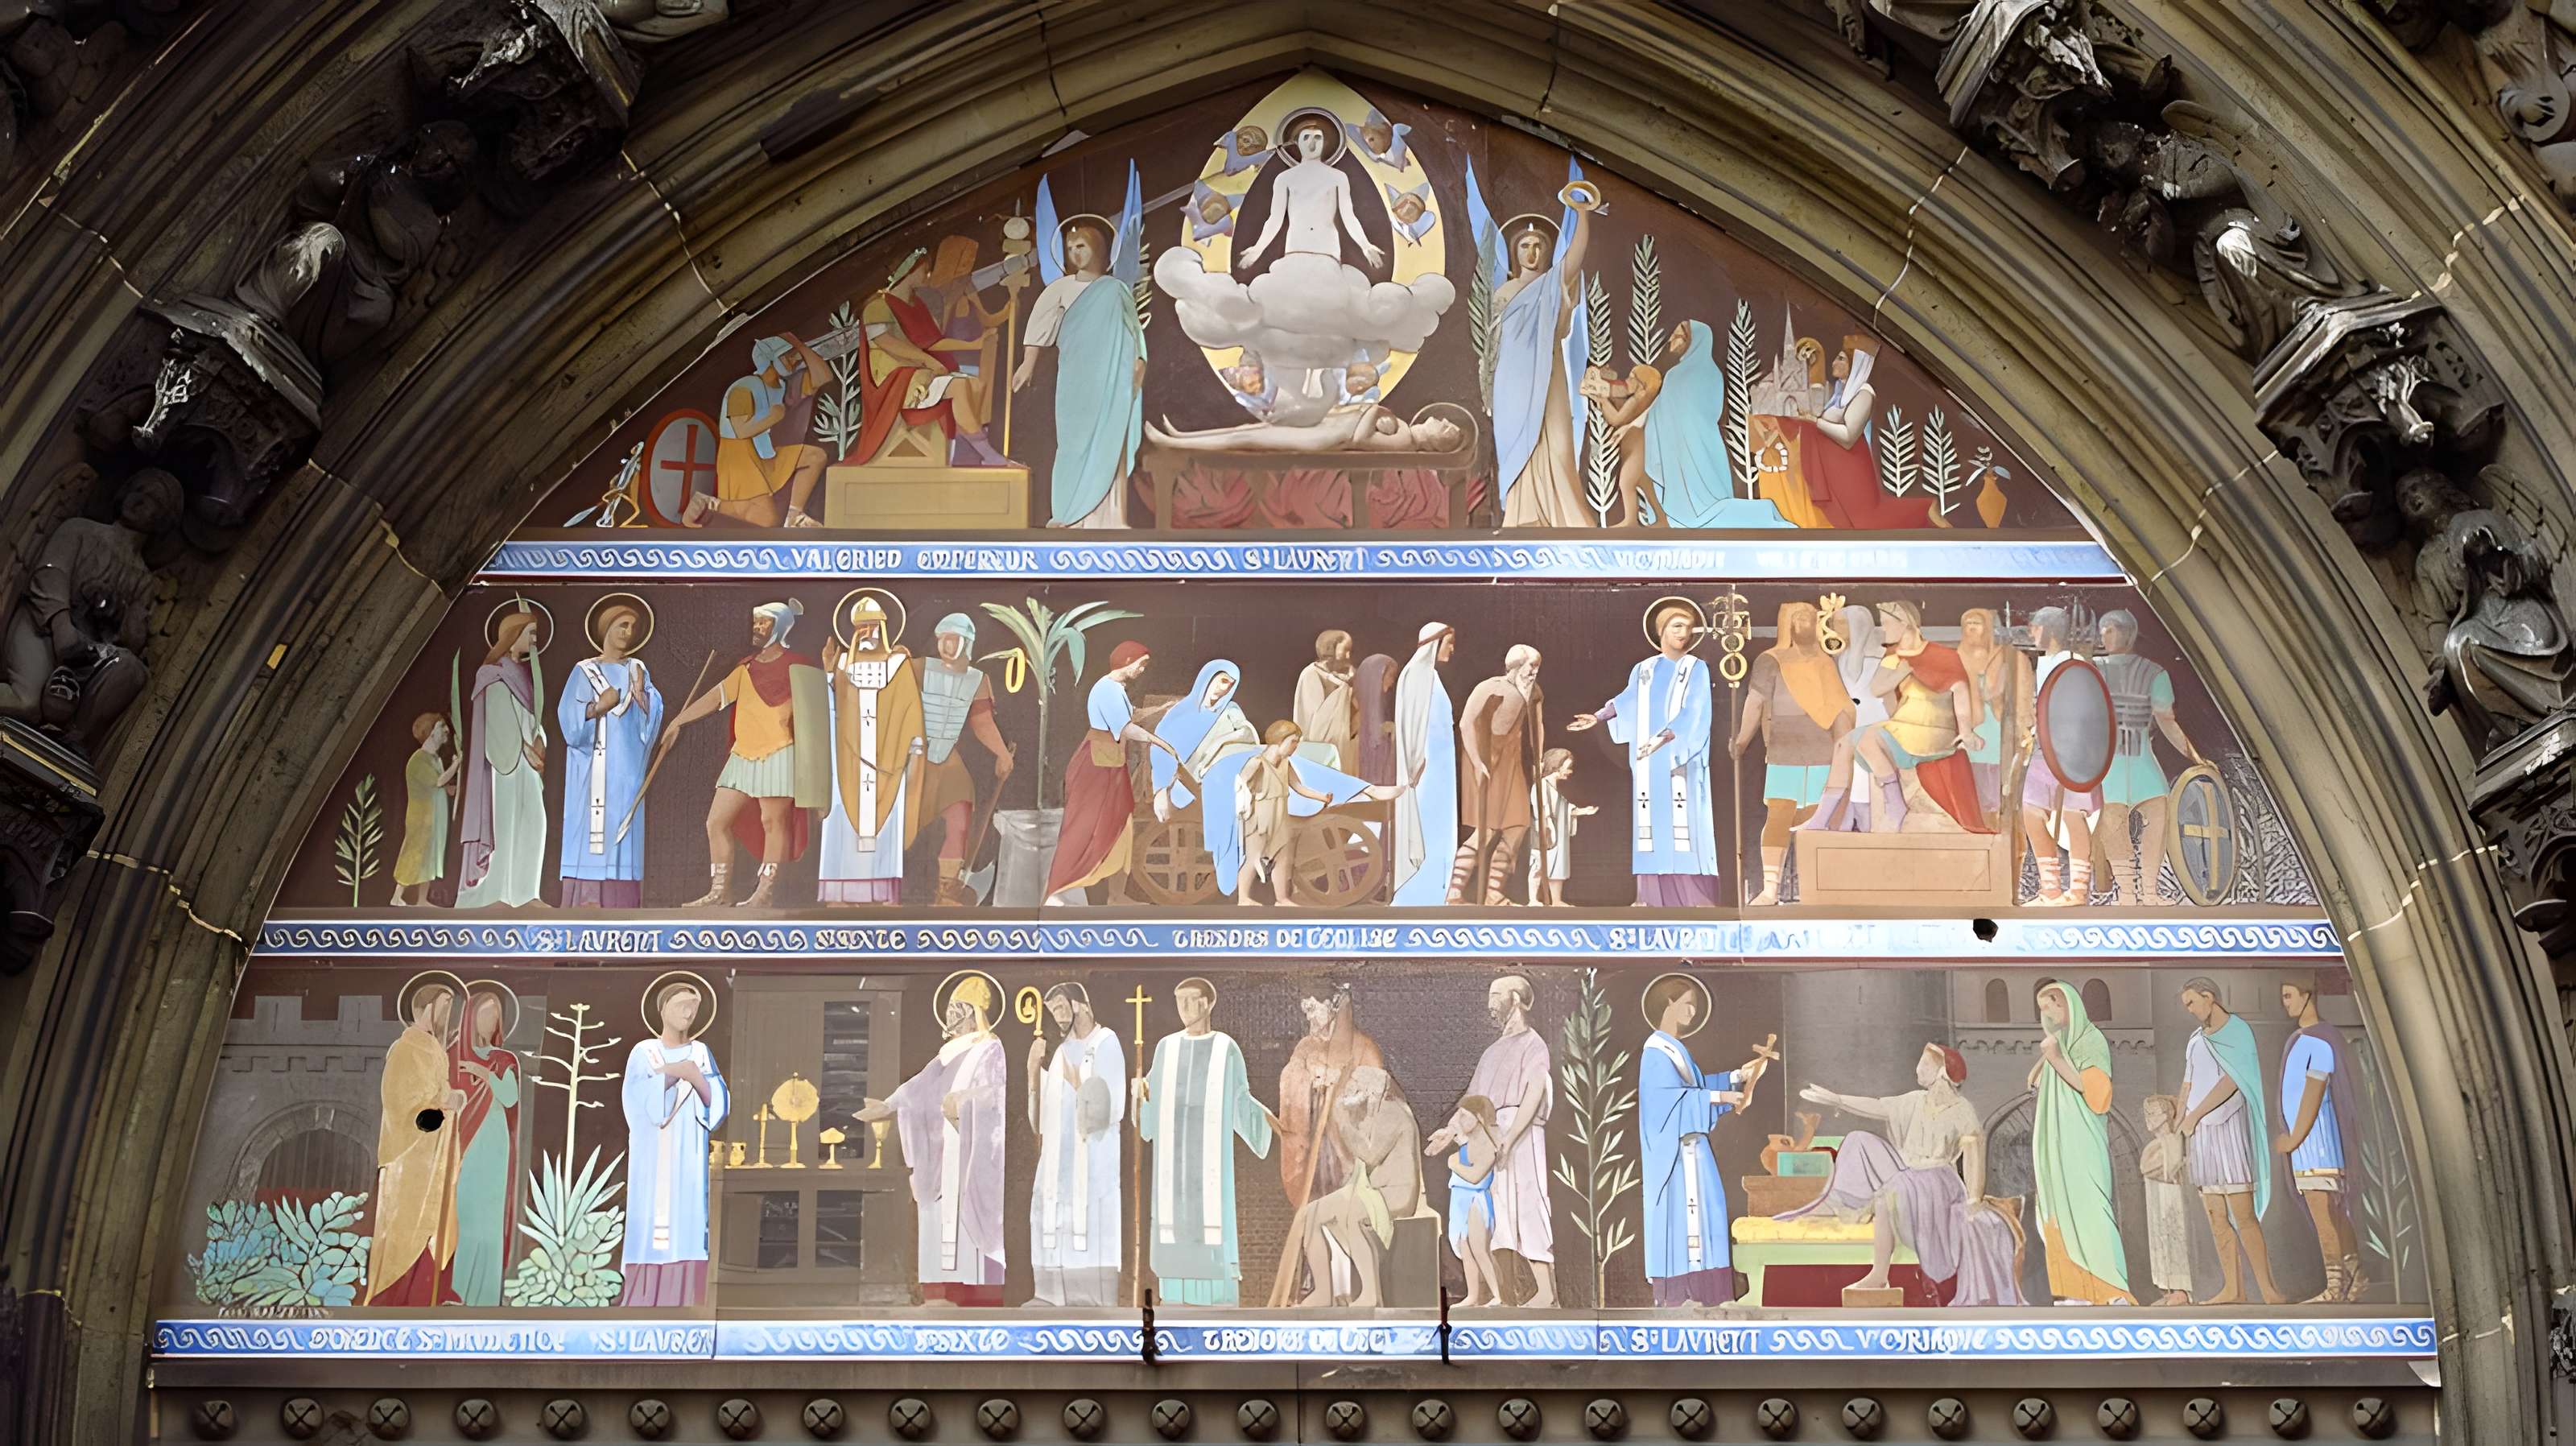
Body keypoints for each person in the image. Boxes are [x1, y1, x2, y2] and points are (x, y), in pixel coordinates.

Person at [1781, 1042, 2024, 1306]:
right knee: (1859, 1140)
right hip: (1910, 1171)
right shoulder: (1916, 1101)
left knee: (1889, 1194)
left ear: (1942, 1071)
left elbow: (1975, 1153)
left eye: (1925, 1064)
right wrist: (1838, 1100)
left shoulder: (1961, 1110)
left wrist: (1974, 1199)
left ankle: (1878, 1275)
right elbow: (1877, 1107)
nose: (1918, 1070)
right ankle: (1840, 1203)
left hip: (1938, 1182)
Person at [663, 601, 828, 909]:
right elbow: (716, 697)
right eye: (755, 623)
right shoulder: (747, 667)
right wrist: (677, 721)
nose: (757, 629)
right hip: (743, 754)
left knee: (773, 821)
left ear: (779, 627)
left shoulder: (799, 667)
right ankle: (720, 890)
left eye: (764, 623)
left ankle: (765, 890)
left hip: (780, 752)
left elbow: (815, 720)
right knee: (716, 821)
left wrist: (817, 784)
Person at [858, 973, 1009, 1305]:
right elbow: (918, 1087)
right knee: (936, 1220)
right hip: (941, 1152)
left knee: (967, 1220)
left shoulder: (989, 1048)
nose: (951, 1014)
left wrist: (963, 1100)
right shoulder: (947, 1053)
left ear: (975, 1011)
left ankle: (976, 1294)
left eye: (959, 1007)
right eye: (951, 1007)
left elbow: (993, 1094)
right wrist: (889, 1105)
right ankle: (939, 1292)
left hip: (967, 1150)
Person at [1135, 978, 1278, 1305]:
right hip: (1174, 1162)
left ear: (1209, 1003)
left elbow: (1239, 1097)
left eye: (1192, 1000)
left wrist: (1265, 1121)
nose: (1184, 1008)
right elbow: (1151, 1100)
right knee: (1174, 1226)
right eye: (1179, 1000)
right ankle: (1174, 1298)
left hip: (1207, 1161)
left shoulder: (1225, 1047)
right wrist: (1141, 1096)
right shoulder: (1165, 1048)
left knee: (1210, 1225)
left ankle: (1217, 1301)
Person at [1568, 600, 1721, 906]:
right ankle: (1651, 897)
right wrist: (1598, 717)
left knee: (1684, 828)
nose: (1684, 633)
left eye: (1689, 628)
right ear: (1661, 630)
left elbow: (1695, 711)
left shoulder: (1696, 669)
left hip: (1681, 760)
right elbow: (1626, 701)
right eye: (1677, 626)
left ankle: (1693, 899)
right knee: (1651, 827)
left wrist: (1663, 738)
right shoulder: (1645, 669)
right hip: (1650, 764)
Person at [1798, 601, 1988, 834]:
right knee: (1844, 744)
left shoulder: (1943, 655)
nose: (1883, 628)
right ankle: (1822, 817)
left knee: (1867, 740)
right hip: (1903, 728)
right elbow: (1876, 689)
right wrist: (1902, 671)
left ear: (1905, 623)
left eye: (1887, 622)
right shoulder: (1893, 658)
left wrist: (1966, 731)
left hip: (1935, 731)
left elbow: (1960, 691)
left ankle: (1895, 804)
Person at [1637, 975, 1771, 1306]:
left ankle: (1710, 1296)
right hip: (1676, 1158)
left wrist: (1739, 1077)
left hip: (1694, 1154)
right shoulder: (1656, 1053)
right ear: (1668, 1003)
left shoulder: (1676, 1050)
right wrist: (1725, 1094)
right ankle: (1681, 1297)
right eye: (1687, 1003)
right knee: (1680, 1227)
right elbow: (1670, 1102)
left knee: (1705, 1218)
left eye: (1695, 1005)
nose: (1693, 1011)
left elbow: (1695, 1089)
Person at [1425, 975, 1558, 1306]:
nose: (1491, 1002)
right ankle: (1503, 1293)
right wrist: (1451, 1131)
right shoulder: (1492, 1052)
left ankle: (1547, 1293)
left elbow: (1533, 1094)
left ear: (1516, 997)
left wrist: (1511, 1139)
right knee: (1496, 1214)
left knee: (1528, 1206)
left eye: (1496, 994)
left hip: (1522, 1134)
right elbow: (1474, 1099)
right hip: (1493, 1132)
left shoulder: (1533, 1044)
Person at [1014, 217, 1145, 528]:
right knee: (1073, 443)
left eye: (1082, 246)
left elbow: (1133, 334)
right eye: (1070, 248)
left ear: (1098, 249)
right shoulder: (1060, 288)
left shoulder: (1116, 290)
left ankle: (1108, 518)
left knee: (1109, 439)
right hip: (1075, 378)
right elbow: (1040, 327)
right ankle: (1068, 513)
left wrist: (1138, 366)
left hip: (1111, 379)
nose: (1075, 253)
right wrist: (1028, 364)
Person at [1731, 601, 1852, 905]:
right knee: (1780, 815)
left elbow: (1839, 708)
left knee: (1822, 818)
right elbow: (1755, 702)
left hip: (1822, 750)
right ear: (1786, 623)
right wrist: (1743, 739)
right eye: (1798, 617)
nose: (1805, 622)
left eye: (1810, 617)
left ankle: (1822, 890)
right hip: (1785, 749)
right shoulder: (1771, 660)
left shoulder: (1825, 661)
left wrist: (1844, 746)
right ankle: (1770, 890)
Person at [848, 246, 1011, 469]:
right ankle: (987, 453)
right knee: (959, 387)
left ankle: (968, 450)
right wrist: (927, 360)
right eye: (924, 269)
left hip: (918, 370)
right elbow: (887, 343)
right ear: (909, 270)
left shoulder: (918, 304)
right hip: (893, 378)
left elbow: (932, 339)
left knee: (975, 386)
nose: (927, 275)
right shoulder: (878, 305)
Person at [621, 978, 730, 1306]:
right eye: (682, 1005)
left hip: (687, 1152)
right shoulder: (644, 1051)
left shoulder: (700, 1052)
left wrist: (694, 1076)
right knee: (648, 1227)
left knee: (687, 1227)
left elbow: (718, 1103)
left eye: (694, 1008)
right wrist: (672, 1073)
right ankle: (642, 1303)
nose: (688, 1013)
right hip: (652, 1157)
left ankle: (684, 1304)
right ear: (663, 1008)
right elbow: (638, 1099)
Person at [1493, 192, 1600, 527]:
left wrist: (1582, 214)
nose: (1532, 252)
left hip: (1550, 373)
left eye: (1538, 245)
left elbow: (1575, 259)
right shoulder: (1504, 294)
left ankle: (1565, 516)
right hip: (1512, 380)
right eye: (1525, 246)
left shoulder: (1553, 286)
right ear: (1514, 252)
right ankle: (1523, 515)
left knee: (1558, 444)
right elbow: (1491, 348)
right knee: (1517, 444)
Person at [2028, 978, 2132, 1304]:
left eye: (2051, 1004)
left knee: (2090, 1213)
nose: (2046, 1012)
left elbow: (2098, 1096)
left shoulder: (2090, 1040)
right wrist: (2047, 1061)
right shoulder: (2058, 1041)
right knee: (2059, 1212)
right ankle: (2076, 1292)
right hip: (2058, 1145)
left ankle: (2112, 1291)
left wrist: (2057, 1059)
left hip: (2082, 1143)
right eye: (2042, 1007)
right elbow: (2034, 1082)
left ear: (2068, 1003)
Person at [1282, 1066, 1422, 1308]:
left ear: (1372, 1089)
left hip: (1396, 1193)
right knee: (1310, 1215)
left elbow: (1369, 1155)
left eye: (1356, 1084)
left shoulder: (1393, 1112)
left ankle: (1370, 1293)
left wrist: (1343, 1121)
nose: (1350, 1089)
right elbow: (1355, 1164)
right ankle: (1323, 1291)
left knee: (1354, 1215)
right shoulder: (1368, 1115)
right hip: (1371, 1191)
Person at [1765, 336, 1939, 530]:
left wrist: (1815, 421)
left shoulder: (1864, 393)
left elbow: (1849, 437)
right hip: (1835, 468)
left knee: (1866, 521)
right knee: (1851, 522)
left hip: (1852, 469)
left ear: (1855, 364)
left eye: (1841, 359)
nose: (1834, 362)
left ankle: (1924, 509)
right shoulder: (1840, 391)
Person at [818, 594, 925, 907]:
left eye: (871, 626)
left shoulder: (898, 664)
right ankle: (840, 900)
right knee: (841, 828)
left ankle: (881, 901)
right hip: (847, 766)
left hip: (889, 764)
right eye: (860, 627)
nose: (866, 633)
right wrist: (827, 673)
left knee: (885, 833)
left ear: (883, 627)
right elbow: (830, 710)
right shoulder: (841, 665)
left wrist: (915, 752)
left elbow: (910, 710)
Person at [2178, 977, 2280, 1303]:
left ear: (2209, 997)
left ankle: (2268, 1290)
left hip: (2228, 1127)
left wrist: (2194, 1116)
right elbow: (2188, 1082)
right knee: (2215, 1215)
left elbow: (2232, 1080)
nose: (2190, 1010)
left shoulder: (2238, 1031)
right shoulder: (2195, 1040)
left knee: (2243, 1214)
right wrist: (2182, 1118)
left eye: (2192, 1002)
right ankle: (2233, 1289)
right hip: (2201, 1135)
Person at [1046, 641, 1171, 904]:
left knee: (1122, 826)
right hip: (1096, 767)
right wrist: (1159, 742)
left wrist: (1160, 710)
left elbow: (1131, 716)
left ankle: (1116, 895)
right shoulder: (1107, 689)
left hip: (1112, 765)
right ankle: (1060, 889)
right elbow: (1125, 728)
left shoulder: (1117, 690)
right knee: (1086, 827)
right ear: (1126, 661)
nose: (1142, 670)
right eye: (1141, 664)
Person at [556, 601, 663, 907]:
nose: (628, 633)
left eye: (633, 627)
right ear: (606, 629)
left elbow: (652, 718)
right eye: (622, 625)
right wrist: (598, 707)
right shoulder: (585, 671)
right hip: (594, 770)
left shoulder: (637, 670)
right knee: (593, 830)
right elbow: (569, 721)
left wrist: (644, 696)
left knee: (623, 831)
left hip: (627, 771)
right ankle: (587, 900)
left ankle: (622, 904)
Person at [365, 980, 465, 1305]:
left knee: (435, 1224)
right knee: (405, 1229)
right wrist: (443, 1104)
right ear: (424, 1008)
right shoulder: (406, 1047)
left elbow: (435, 1093)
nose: (449, 1014)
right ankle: (395, 1298)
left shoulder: (432, 1047)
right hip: (409, 1157)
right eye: (444, 1006)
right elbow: (401, 1102)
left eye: (452, 1006)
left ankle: (427, 1295)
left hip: (434, 1155)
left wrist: (448, 1099)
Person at [1027, 983, 1125, 1306]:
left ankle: (1091, 1301)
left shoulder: (1106, 1042)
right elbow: (1041, 1120)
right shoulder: (1059, 1052)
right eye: (1052, 1010)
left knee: (1089, 1229)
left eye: (1060, 1007)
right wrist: (1032, 1074)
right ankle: (1052, 1296)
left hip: (1091, 1165)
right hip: (1058, 1167)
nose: (1056, 1015)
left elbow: (1111, 1110)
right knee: (1053, 1224)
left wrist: (1076, 1081)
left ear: (1080, 1005)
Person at [2096, 610, 2203, 905]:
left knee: (2157, 813)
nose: (2105, 636)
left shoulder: (2154, 672)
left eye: (2111, 630)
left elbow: (2166, 720)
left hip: (2139, 760)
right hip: (2110, 762)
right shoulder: (2091, 669)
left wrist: (2194, 757)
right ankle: (2128, 893)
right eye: (2103, 630)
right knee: (2113, 821)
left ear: (2128, 634)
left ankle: (2150, 891)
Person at [1641, 320, 1793, 529]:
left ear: (1696, 339)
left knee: (1702, 507)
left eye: (1681, 336)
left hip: (1687, 448)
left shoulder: (1683, 375)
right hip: (1699, 446)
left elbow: (1692, 411)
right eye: (1674, 335)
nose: (1673, 341)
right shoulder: (1708, 372)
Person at [1227, 720, 1399, 903]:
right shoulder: (1257, 763)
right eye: (1293, 742)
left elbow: (1298, 787)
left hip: (1279, 813)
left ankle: (1282, 898)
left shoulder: (1286, 764)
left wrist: (1321, 797)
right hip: (1260, 816)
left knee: (1282, 857)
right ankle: (1243, 897)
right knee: (1253, 857)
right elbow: (1240, 785)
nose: (1295, 747)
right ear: (1280, 740)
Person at [2277, 977, 2368, 1303]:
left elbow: (2314, 1094)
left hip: (2316, 1144)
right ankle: (2355, 1279)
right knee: (2334, 1214)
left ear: (2307, 995)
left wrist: (2294, 1139)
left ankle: (2334, 1286)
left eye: (2289, 995)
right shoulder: (2305, 1039)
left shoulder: (2318, 1041)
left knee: (2324, 1214)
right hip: (2309, 1143)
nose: (2285, 1002)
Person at [912, 612, 1014, 903]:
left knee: (959, 816)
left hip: (948, 759)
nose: (946, 645)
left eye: (953, 639)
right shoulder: (917, 668)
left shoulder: (977, 680)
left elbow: (982, 722)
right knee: (901, 823)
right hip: (911, 758)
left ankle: (946, 888)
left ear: (966, 643)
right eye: (943, 638)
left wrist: (1002, 754)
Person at [456, 609, 548, 908]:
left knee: (534, 821)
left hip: (528, 762)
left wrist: (539, 741)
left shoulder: (522, 674)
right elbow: (498, 720)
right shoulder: (492, 673)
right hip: (505, 763)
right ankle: (496, 892)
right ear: (513, 634)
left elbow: (532, 717)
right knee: (505, 824)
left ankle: (525, 893)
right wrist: (524, 749)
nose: (535, 640)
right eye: (530, 633)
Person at [691, 332, 831, 528]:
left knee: (815, 457)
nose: (793, 360)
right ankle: (708, 505)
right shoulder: (743, 388)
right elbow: (739, 431)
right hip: (740, 456)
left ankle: (794, 517)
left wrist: (800, 346)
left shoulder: (783, 386)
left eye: (793, 355)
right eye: (787, 356)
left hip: (766, 454)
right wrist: (772, 418)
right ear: (770, 359)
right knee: (766, 519)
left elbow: (823, 377)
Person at [1279, 986, 1385, 1229]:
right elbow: (1292, 1083)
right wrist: (1306, 1082)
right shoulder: (1306, 1047)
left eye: (1314, 1008)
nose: (1309, 1016)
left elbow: (1377, 1099)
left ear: (1334, 1006)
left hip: (1346, 1145)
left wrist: (1342, 1095)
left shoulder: (1364, 1047)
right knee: (1315, 1212)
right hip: (1313, 1142)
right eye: (1306, 1009)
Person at [2017, 607, 2099, 906]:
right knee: (2031, 810)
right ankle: (2050, 888)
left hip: (2072, 751)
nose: (2032, 634)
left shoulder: (2075, 663)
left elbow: (2086, 709)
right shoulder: (2041, 663)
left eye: (2036, 628)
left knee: (2073, 815)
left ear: (2050, 629)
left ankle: (2078, 890)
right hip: (2043, 749)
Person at [1235, 113, 1385, 273]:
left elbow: (1349, 216)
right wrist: (1258, 249)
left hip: (1327, 246)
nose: (1312, 143)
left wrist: (1365, 246)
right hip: (1297, 244)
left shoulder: (1338, 178)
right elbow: (1275, 219)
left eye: (1318, 138)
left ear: (1325, 143)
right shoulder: (1284, 178)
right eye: (1306, 138)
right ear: (1297, 142)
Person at [448, 987, 522, 1308]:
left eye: (496, 1015)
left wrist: (483, 1073)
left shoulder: (504, 1059)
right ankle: (456, 1294)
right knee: (463, 1219)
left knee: (489, 1224)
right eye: (485, 1013)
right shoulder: (451, 1054)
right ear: (469, 1016)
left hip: (494, 1144)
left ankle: (486, 1299)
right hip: (463, 1146)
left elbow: (510, 1098)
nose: (491, 1021)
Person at [1452, 645, 1543, 905]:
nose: (1533, 672)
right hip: (1488, 763)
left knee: (1517, 826)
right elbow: (1466, 723)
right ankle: (1454, 892)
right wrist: (1476, 760)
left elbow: (1537, 726)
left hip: (1512, 763)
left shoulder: (1534, 693)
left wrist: (1538, 759)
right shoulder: (1490, 687)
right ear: (1515, 666)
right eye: (1530, 666)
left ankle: (1493, 893)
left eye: (1537, 667)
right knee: (1486, 831)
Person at [1391, 623, 1459, 905]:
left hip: (1441, 767)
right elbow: (1413, 722)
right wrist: (1415, 762)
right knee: (1427, 826)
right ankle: (1418, 892)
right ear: (1436, 642)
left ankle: (1435, 891)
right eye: (1450, 643)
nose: (1453, 649)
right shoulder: (1418, 674)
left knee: (1441, 828)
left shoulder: (1430, 676)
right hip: (1426, 770)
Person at [1143, 403, 1464, 455]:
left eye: (1447, 429)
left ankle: (1173, 443)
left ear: (1435, 443)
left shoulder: (1407, 440)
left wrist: (1375, 408)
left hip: (1322, 438)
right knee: (1246, 428)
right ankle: (1181, 435)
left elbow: (1362, 438)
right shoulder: (1405, 428)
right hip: (1323, 426)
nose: (1443, 420)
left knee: (1248, 436)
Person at [1577, 363, 1666, 527]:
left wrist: (1602, 400)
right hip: (1632, 445)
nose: (1628, 381)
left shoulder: (1637, 401)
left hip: (1638, 445)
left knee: (1626, 482)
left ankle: (1631, 521)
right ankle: (1662, 518)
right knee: (1645, 482)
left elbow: (1617, 419)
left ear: (1642, 386)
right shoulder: (1635, 399)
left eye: (1633, 379)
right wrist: (1600, 397)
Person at [1957, 608, 2021, 824]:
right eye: (1968, 623)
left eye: (1977, 623)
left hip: (1997, 723)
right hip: (1971, 725)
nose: (1972, 628)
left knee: (1998, 780)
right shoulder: (1958, 655)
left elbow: (2013, 690)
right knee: (1972, 781)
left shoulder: (2004, 655)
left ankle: (1996, 825)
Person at [1440, 1096, 1506, 1306]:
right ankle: (1473, 1295)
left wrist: (1454, 1164)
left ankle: (1498, 1294)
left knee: (1479, 1247)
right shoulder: (1467, 1143)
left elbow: (1476, 1176)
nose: (1459, 1120)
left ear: (1478, 1118)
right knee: (1466, 1249)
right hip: (1460, 1198)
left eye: (1464, 1116)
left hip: (1476, 1200)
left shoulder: (1488, 1145)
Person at [391, 713, 459, 906]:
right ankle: (397, 897)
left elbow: (440, 786)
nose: (446, 731)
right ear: (430, 733)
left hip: (434, 820)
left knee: (430, 860)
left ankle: (422, 900)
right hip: (422, 820)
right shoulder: (418, 760)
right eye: (441, 727)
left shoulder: (435, 759)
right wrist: (456, 763)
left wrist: (450, 787)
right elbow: (437, 781)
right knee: (414, 855)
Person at [2140, 1093, 2194, 1306]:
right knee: (2160, 1239)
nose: (2148, 1118)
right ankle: (2169, 1288)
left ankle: (2182, 1290)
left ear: (2166, 1115)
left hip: (2173, 1198)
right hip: (2158, 1198)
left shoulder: (2172, 1141)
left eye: (2152, 1113)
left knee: (2176, 1239)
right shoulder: (2158, 1145)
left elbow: (2160, 1167)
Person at [1525, 747, 1594, 907]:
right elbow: (1541, 808)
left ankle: (1556, 900)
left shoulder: (1553, 787)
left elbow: (1564, 808)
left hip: (1557, 832)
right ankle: (1533, 899)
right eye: (1567, 767)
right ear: (1557, 766)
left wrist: (1582, 811)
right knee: (1539, 866)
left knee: (1556, 867)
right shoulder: (1541, 785)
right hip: (1546, 831)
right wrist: (1547, 823)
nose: (1569, 772)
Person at [1294, 629, 1359, 772]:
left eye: (1350, 651)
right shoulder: (1311, 674)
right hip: (1319, 748)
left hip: (1343, 743)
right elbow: (1314, 720)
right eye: (1345, 650)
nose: (1348, 656)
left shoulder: (1349, 674)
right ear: (1330, 649)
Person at [1356, 651, 1400, 785]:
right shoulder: (1354, 703)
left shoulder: (1382, 703)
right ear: (1377, 676)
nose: (1392, 682)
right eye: (1391, 676)